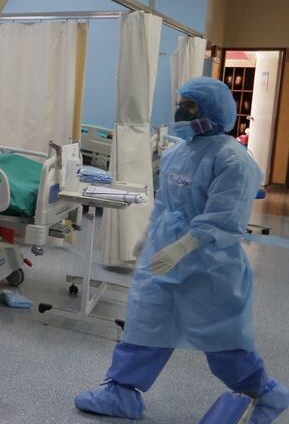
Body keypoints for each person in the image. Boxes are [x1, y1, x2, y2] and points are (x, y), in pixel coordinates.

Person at [74, 77, 288, 423]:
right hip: (163, 257)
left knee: (221, 337)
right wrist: (147, 242)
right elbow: (164, 206)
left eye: (190, 106)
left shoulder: (234, 161)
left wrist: (184, 246)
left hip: (209, 265)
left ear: (213, 112)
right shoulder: (177, 153)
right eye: (182, 102)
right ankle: (122, 392)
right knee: (146, 321)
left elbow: (224, 218)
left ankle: (265, 392)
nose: (180, 111)